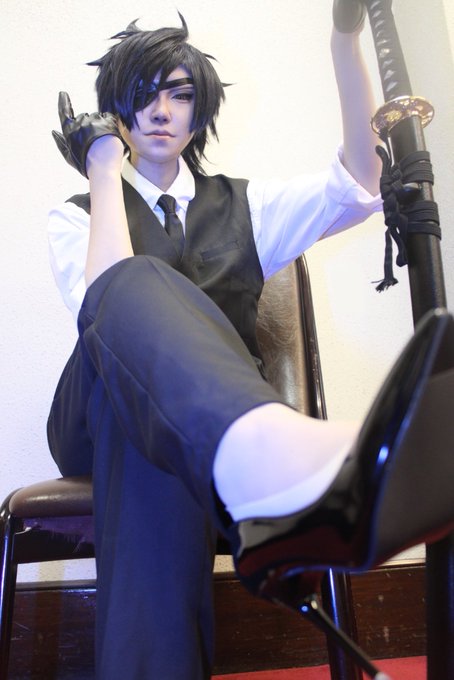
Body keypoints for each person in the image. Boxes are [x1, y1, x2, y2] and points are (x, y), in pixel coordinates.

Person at [47, 4, 454, 679]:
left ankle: (249, 453)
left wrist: (344, 39)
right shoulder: (78, 214)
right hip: (92, 413)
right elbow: (106, 300)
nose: (161, 110)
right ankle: (274, 453)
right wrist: (101, 165)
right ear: (116, 107)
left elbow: (360, 181)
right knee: (132, 293)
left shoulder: (247, 206)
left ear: (199, 112)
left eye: (180, 94)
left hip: (167, 435)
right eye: (143, 93)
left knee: (160, 442)